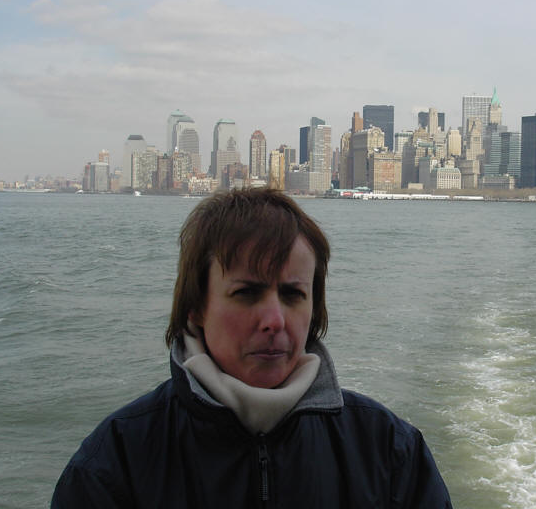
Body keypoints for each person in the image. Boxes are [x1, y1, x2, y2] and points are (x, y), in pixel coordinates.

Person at [52, 187, 452, 508]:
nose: (274, 320)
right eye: (246, 293)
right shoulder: (116, 462)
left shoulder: (390, 451)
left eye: (293, 294)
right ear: (196, 306)